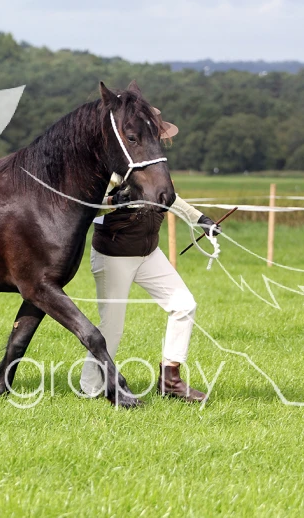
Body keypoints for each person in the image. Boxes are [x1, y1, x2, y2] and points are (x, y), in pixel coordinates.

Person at [79, 119, 220, 403]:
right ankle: (90, 387)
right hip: (114, 255)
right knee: (112, 328)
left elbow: (169, 197)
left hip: (149, 254)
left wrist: (200, 220)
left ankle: (170, 380)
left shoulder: (153, 164)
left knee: (184, 305)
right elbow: (86, 208)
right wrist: (114, 201)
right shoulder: (113, 166)